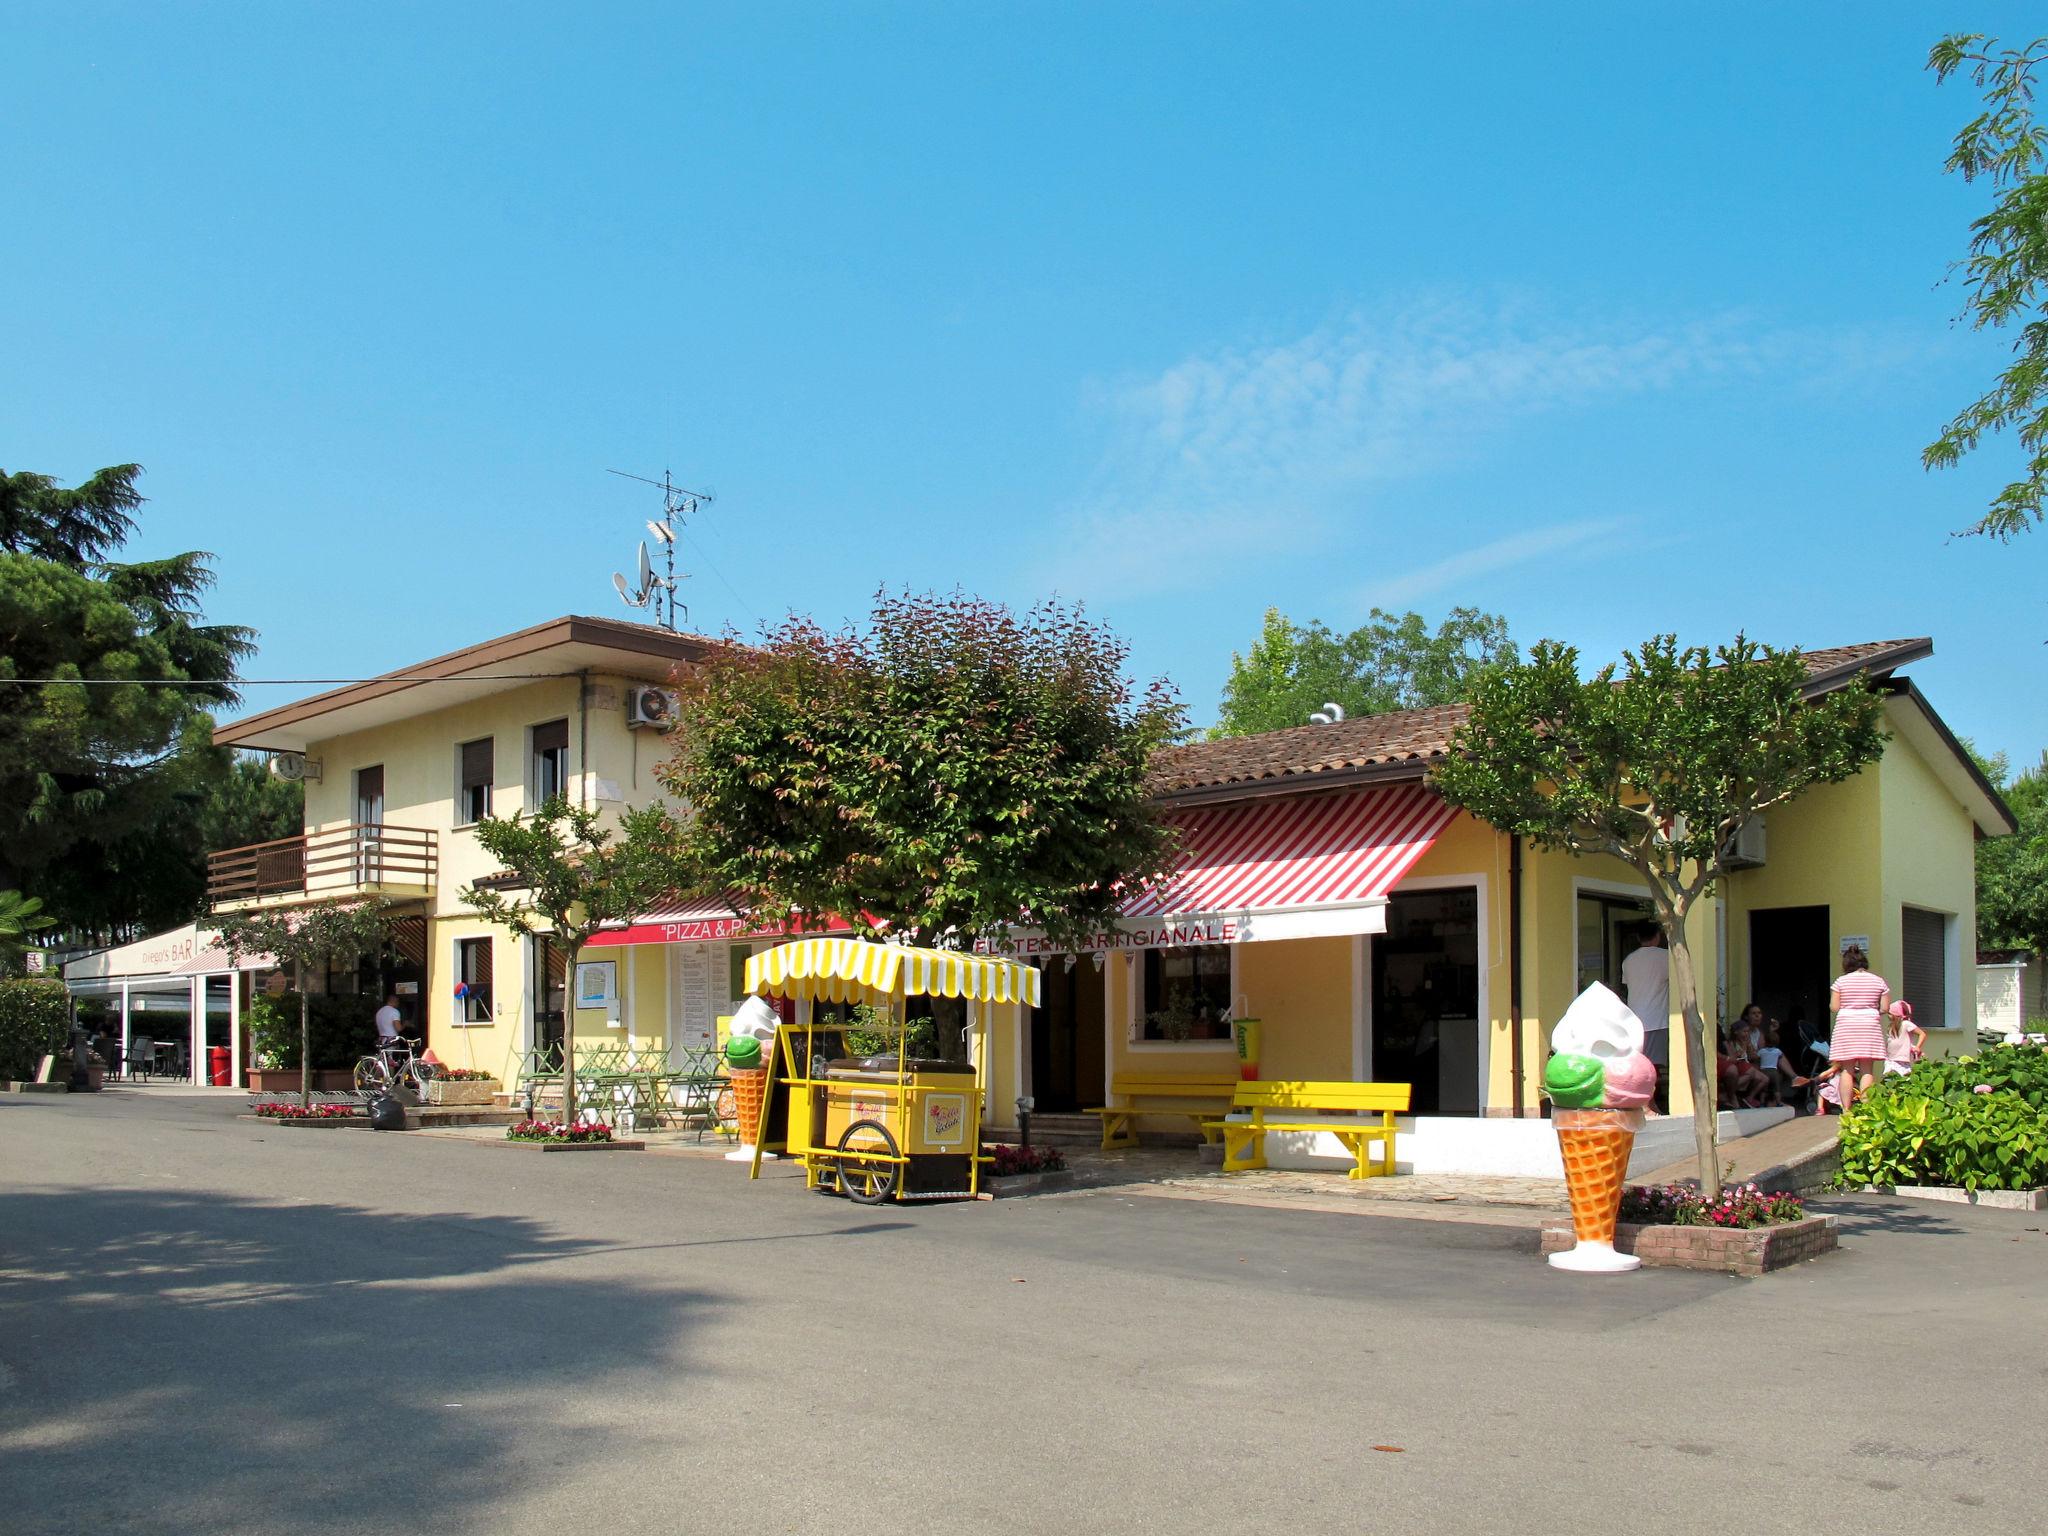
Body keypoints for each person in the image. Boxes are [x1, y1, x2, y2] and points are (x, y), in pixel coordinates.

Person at [1827, 945, 1890, 1113]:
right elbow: (1884, 1008)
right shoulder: (1878, 981)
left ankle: (1846, 1110)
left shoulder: (1841, 981)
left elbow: (1834, 1007)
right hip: (1869, 1024)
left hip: (1846, 1025)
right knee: (1867, 1069)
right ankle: (1866, 1107)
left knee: (1846, 1069)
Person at [1620, 924, 1670, 1109]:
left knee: (1638, 1064)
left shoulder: (1628, 960)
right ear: (1657, 936)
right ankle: (1649, 1103)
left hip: (1633, 1020)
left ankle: (1645, 1102)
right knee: (1653, 1067)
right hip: (1657, 1019)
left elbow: (1627, 984)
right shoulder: (1665, 957)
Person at [1884, 1000, 1926, 1077]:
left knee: (1903, 1079)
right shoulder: (1891, 1027)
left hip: (1902, 1061)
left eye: (1890, 1013)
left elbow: (1922, 1034)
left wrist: (1917, 1047)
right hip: (1890, 1060)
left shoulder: (1906, 1024)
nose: (1888, 1015)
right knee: (1889, 1078)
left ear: (1896, 1015)